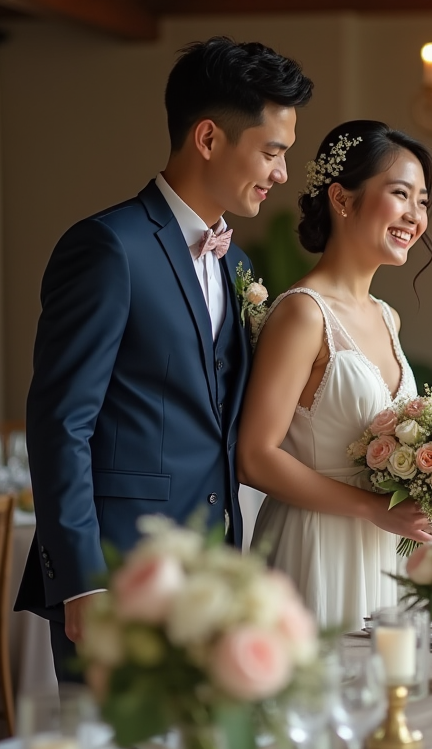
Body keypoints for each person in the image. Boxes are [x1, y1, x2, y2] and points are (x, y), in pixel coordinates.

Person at [16, 37, 313, 682]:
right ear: (208, 138)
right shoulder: (107, 248)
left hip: (215, 571)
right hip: (121, 573)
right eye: (271, 152)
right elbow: (61, 422)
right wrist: (82, 580)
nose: (282, 174)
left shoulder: (237, 263)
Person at [239, 120, 432, 631]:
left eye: (422, 201)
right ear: (343, 200)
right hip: (314, 544)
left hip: (381, 545)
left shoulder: (387, 316)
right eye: (401, 195)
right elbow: (255, 458)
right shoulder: (303, 314)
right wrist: (373, 508)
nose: (415, 216)